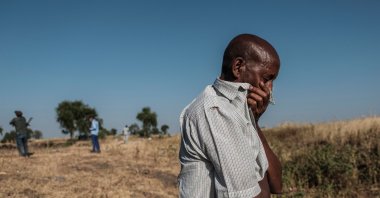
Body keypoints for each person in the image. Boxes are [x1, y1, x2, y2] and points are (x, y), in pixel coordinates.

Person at [178, 34, 282, 198]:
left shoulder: (241, 109)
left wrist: (254, 121)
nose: (269, 89)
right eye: (266, 78)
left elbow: (276, 184)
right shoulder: (216, 110)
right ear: (238, 67)